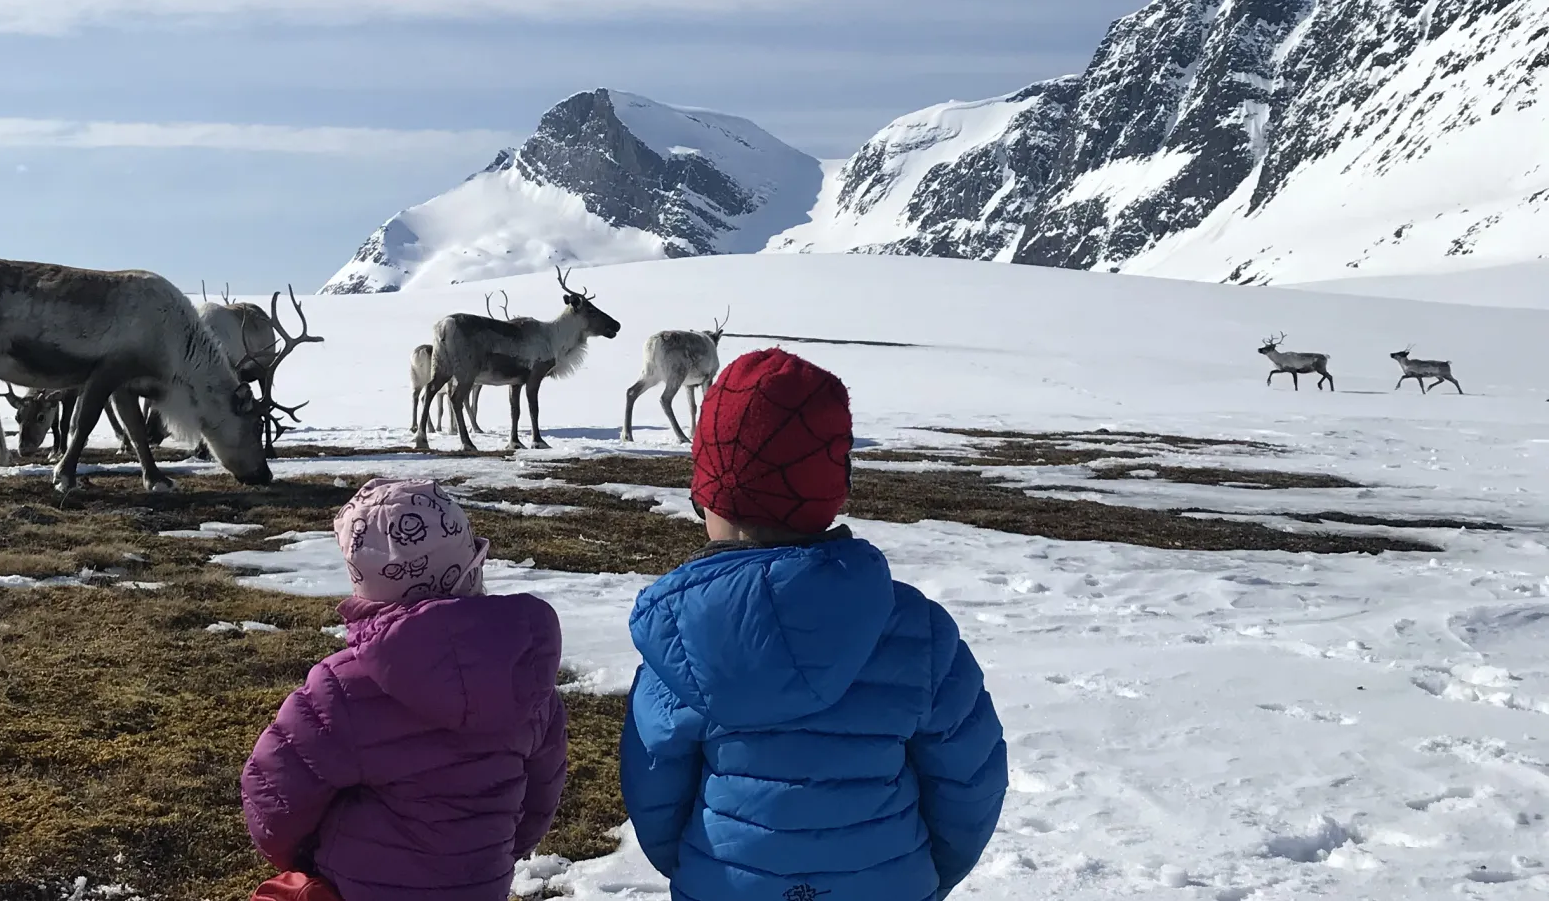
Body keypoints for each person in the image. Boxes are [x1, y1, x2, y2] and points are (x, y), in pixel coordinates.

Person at [620, 347, 1008, 901]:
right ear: (834, 487)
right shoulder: (919, 633)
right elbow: (970, 786)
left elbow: (653, 792)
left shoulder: (678, 639)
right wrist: (920, 876)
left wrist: (694, 868)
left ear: (704, 492)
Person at [240, 477, 568, 901]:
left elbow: (274, 797)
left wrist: (301, 859)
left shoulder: (341, 688)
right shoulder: (526, 678)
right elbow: (540, 799)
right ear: (472, 567)